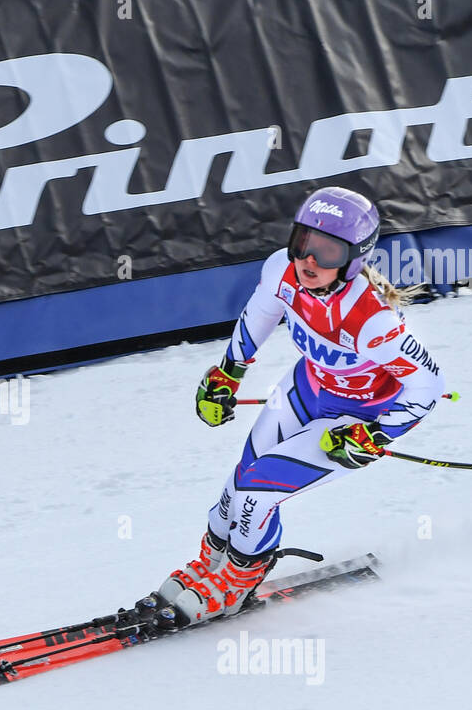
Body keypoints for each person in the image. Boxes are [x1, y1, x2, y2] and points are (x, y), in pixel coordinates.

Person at [144, 186, 445, 630]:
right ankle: (214, 564)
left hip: (352, 418)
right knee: (236, 484)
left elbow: (428, 385)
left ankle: (238, 579)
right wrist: (229, 371)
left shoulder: (372, 321)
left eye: (327, 252)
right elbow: (260, 313)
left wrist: (378, 435)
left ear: (354, 259)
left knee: (257, 490)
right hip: (304, 391)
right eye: (304, 243)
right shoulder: (282, 271)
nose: (309, 260)